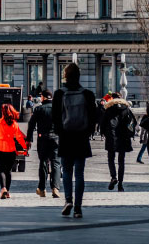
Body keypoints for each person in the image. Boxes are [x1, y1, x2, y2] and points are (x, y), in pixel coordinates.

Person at [51, 63, 99, 219]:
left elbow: (55, 118)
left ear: (65, 76)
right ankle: (78, 208)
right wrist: (87, 132)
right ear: (79, 76)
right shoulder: (88, 94)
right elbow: (93, 117)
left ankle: (68, 200)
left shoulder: (59, 94)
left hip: (66, 137)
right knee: (79, 173)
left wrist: (60, 132)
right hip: (81, 137)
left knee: (66, 171)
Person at [0, 103, 29, 199]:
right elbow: (19, 137)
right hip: (11, 150)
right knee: (8, 171)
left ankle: (3, 188)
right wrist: (25, 147)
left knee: (1, 170)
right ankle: (7, 191)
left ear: (2, 112)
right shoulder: (14, 124)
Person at [100, 93, 136, 192]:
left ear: (112, 99)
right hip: (124, 137)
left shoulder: (109, 109)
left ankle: (113, 177)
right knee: (121, 161)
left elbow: (102, 123)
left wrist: (104, 133)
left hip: (111, 136)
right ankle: (120, 184)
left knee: (111, 158)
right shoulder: (126, 109)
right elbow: (133, 122)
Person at [27, 90, 60, 198]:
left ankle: (42, 189)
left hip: (43, 139)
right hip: (56, 138)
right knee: (56, 163)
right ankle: (55, 188)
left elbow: (31, 124)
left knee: (43, 162)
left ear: (44, 97)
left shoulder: (39, 109)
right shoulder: (58, 109)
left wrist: (29, 139)